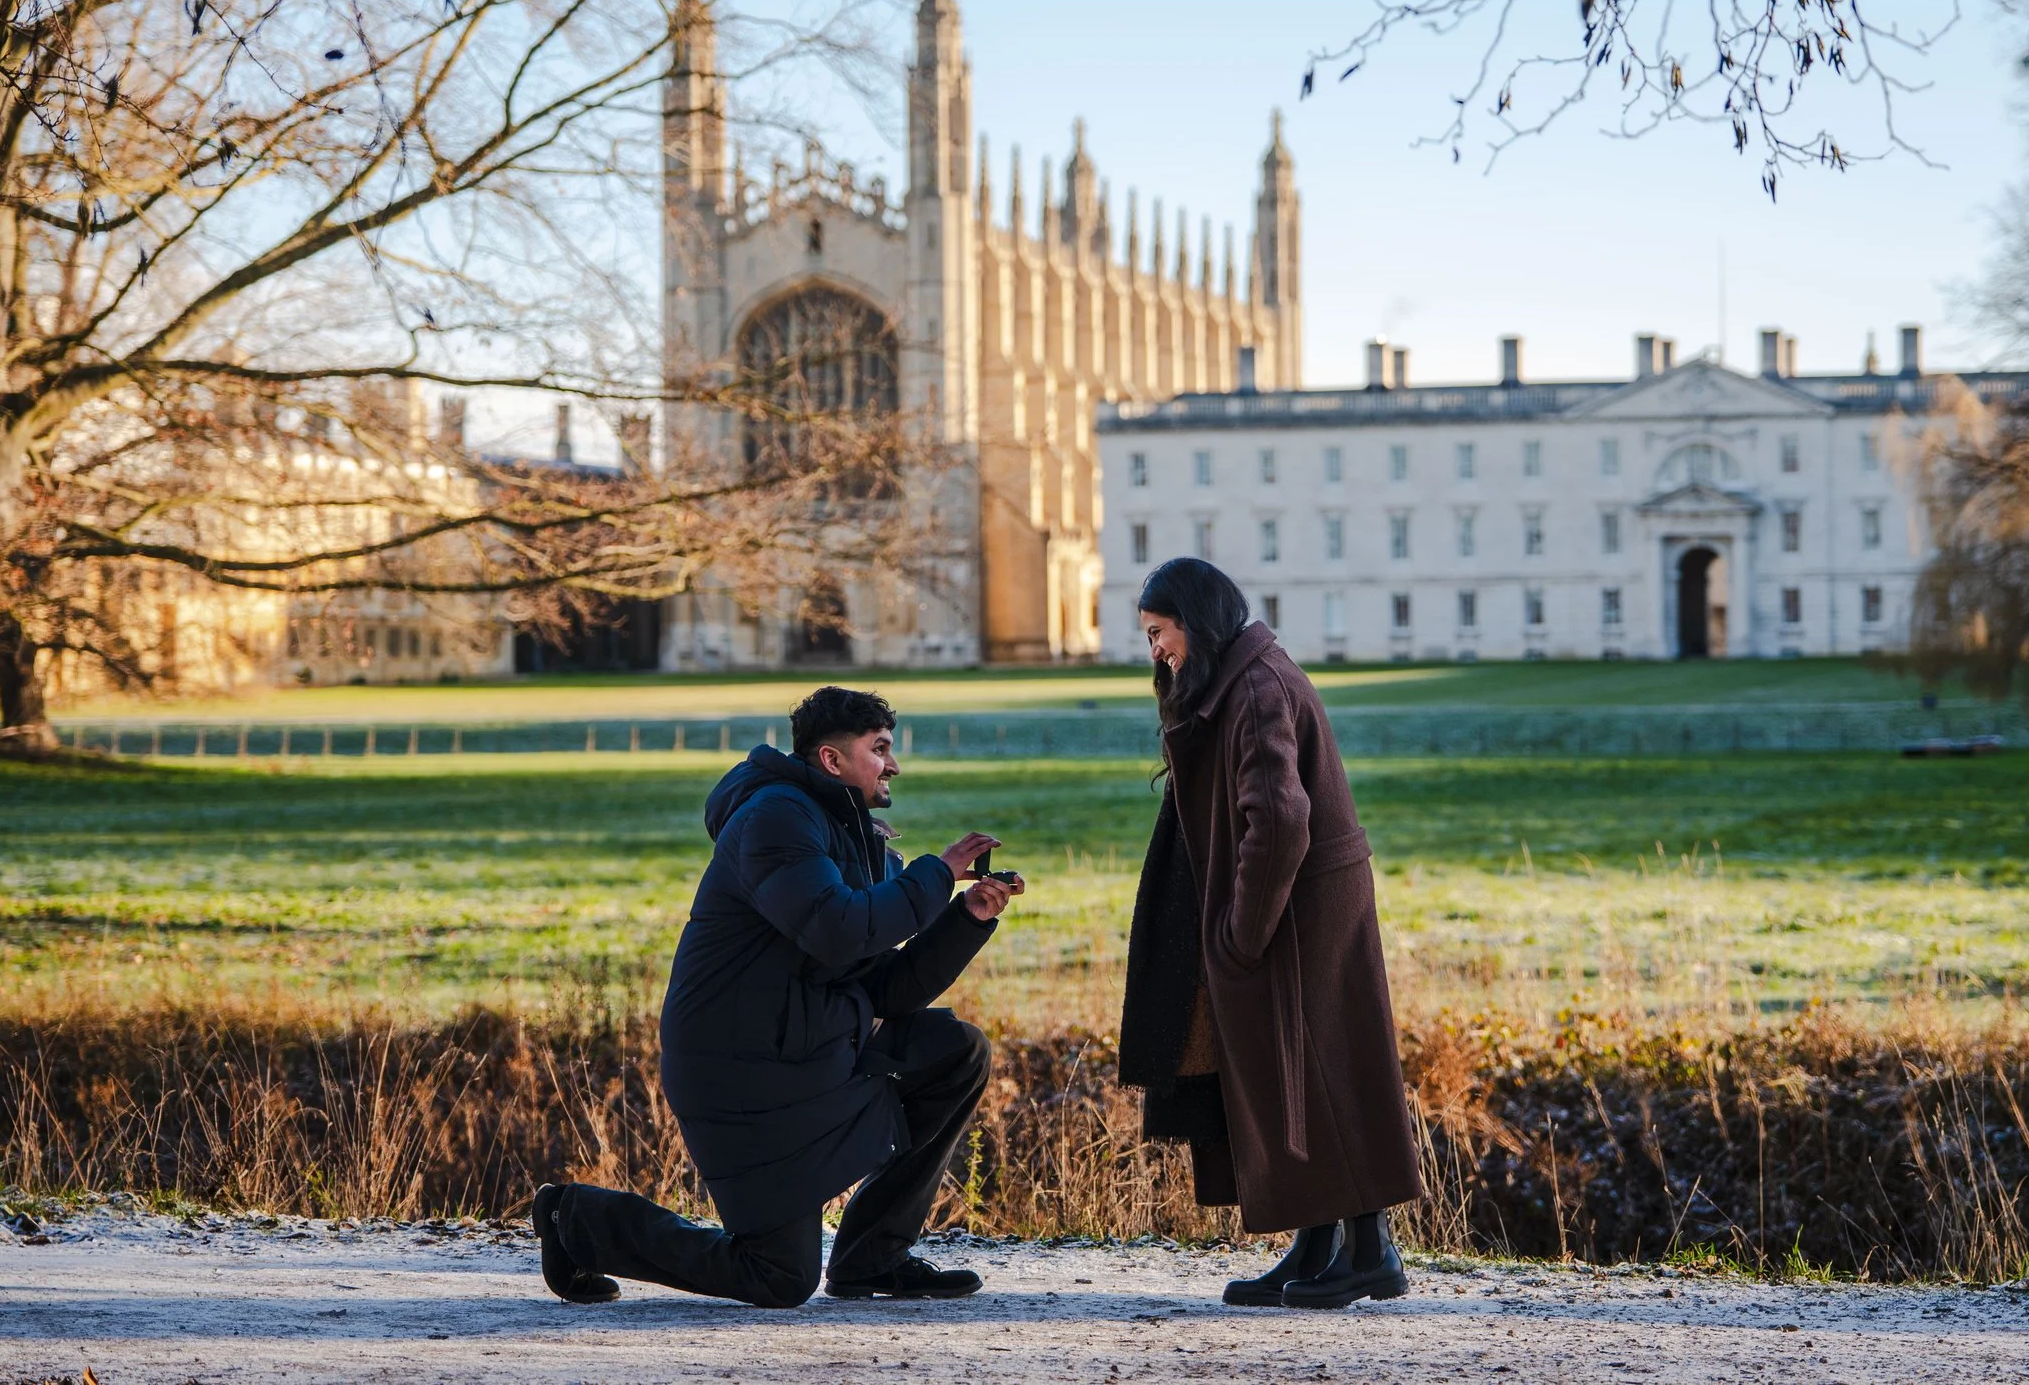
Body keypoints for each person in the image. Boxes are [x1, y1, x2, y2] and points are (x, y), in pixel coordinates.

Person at [532, 685, 1024, 1307]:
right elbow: (838, 929)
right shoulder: (776, 820)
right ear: (831, 760)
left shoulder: (848, 835)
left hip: (809, 1045)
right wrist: (936, 872)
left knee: (955, 1050)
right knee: (778, 1277)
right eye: (879, 749)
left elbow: (886, 989)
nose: (893, 764)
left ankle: (873, 1259)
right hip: (742, 1069)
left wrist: (966, 918)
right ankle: (575, 1219)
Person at [1118, 557, 1423, 1310]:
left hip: (1296, 913)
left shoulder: (1255, 688)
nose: (1155, 649)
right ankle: (1317, 1246)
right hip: (1298, 905)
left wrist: (1241, 932)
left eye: (1159, 632)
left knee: (1324, 1068)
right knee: (1294, 1072)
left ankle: (1370, 1254)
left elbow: (1280, 820)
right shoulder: (1244, 677)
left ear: (1196, 621)